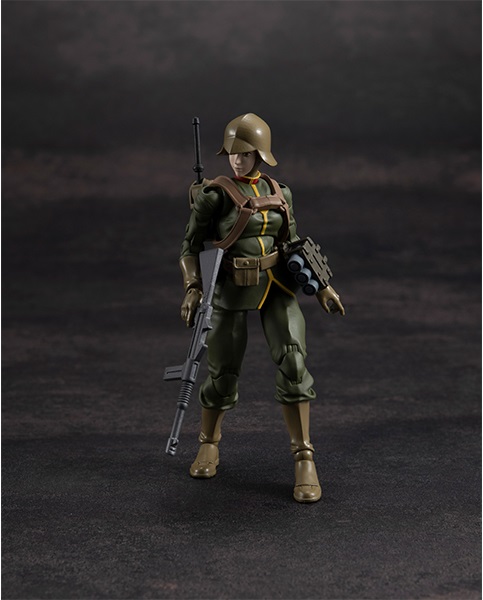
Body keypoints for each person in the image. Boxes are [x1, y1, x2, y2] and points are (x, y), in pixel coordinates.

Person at [179, 113, 345, 503]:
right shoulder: (214, 196)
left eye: (245, 154)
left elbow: (293, 242)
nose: (237, 161)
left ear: (260, 154)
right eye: (232, 154)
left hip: (277, 286)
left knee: (294, 363)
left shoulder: (280, 192)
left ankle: (304, 457)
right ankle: (208, 443)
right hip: (232, 289)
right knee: (222, 372)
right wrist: (192, 288)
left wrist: (322, 286)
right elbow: (189, 248)